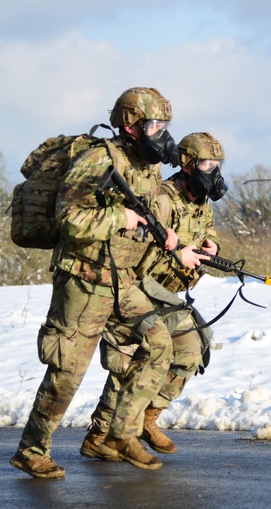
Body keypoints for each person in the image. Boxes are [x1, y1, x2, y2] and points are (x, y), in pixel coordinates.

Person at [10, 86, 206, 479]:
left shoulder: (148, 168)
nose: (161, 131)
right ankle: (32, 450)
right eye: (153, 123)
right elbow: (70, 219)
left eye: (165, 124)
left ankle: (120, 434)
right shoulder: (98, 159)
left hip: (123, 282)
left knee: (158, 343)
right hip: (84, 280)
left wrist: (170, 239)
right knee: (67, 372)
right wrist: (121, 219)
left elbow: (147, 217)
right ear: (131, 125)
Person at [81, 132, 227, 461]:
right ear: (188, 165)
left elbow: (207, 228)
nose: (214, 171)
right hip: (140, 284)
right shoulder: (163, 198)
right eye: (207, 163)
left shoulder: (199, 202)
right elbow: (138, 241)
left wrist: (211, 245)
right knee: (134, 359)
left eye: (217, 165)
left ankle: (147, 419)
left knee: (191, 349)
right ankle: (100, 434)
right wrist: (178, 253)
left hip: (168, 292)